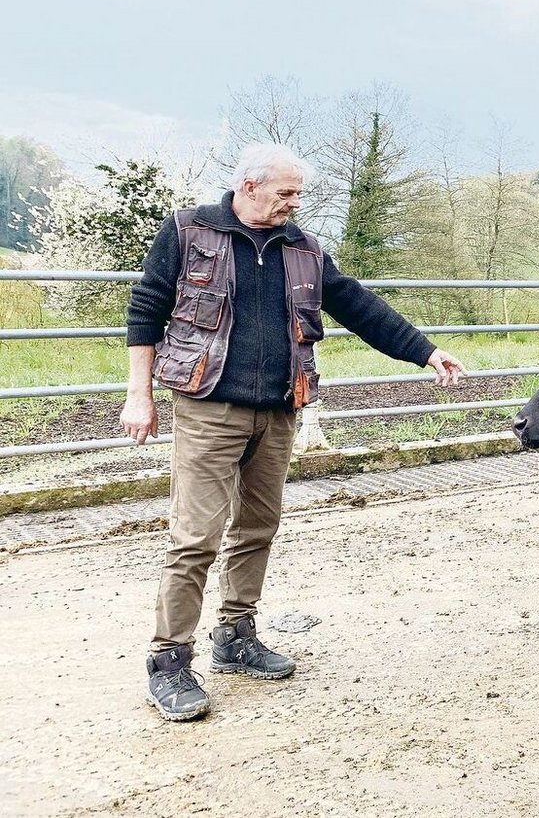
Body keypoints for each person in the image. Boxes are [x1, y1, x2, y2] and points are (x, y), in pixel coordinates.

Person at [121, 143, 466, 721]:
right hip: (208, 408)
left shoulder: (304, 249)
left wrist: (425, 352)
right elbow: (146, 310)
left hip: (280, 408)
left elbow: (359, 306)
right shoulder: (188, 231)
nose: (294, 203)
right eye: (286, 192)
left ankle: (234, 636)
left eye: (298, 193)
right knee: (195, 537)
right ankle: (170, 660)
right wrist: (140, 394)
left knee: (257, 527)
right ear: (249, 186)